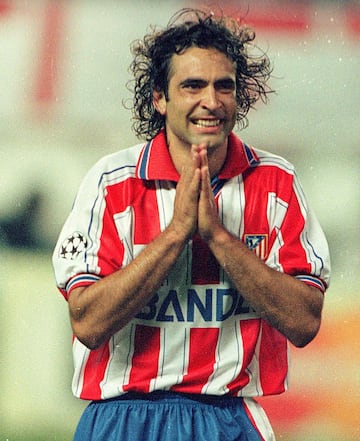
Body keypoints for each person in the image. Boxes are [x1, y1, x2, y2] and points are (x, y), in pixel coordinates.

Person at [52, 7, 330, 441]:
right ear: (159, 98)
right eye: (192, 86)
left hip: (229, 418)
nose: (211, 101)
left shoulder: (276, 183)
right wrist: (176, 234)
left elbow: (305, 322)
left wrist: (218, 237)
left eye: (225, 86)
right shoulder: (111, 183)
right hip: (122, 417)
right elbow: (87, 324)